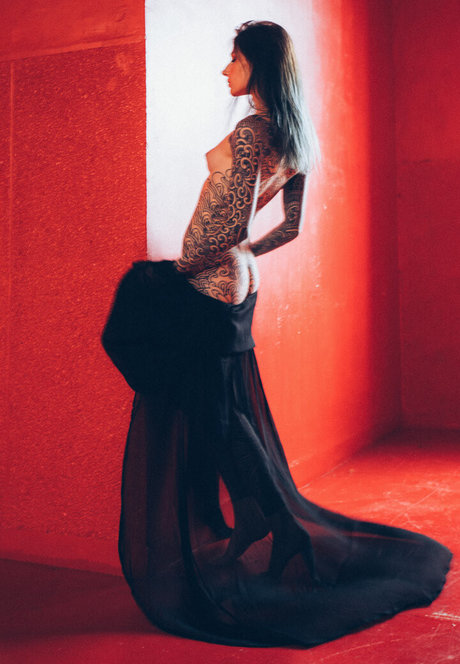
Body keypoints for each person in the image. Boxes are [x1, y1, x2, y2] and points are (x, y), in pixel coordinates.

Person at [102, 21, 451, 647]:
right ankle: (265, 523)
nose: (225, 70)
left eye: (234, 59)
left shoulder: (252, 132)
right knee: (224, 408)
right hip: (239, 282)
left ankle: (276, 525)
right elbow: (285, 229)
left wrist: (179, 270)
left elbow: (228, 224)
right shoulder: (294, 137)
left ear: (256, 65)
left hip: (210, 285)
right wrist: (245, 257)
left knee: (213, 407)